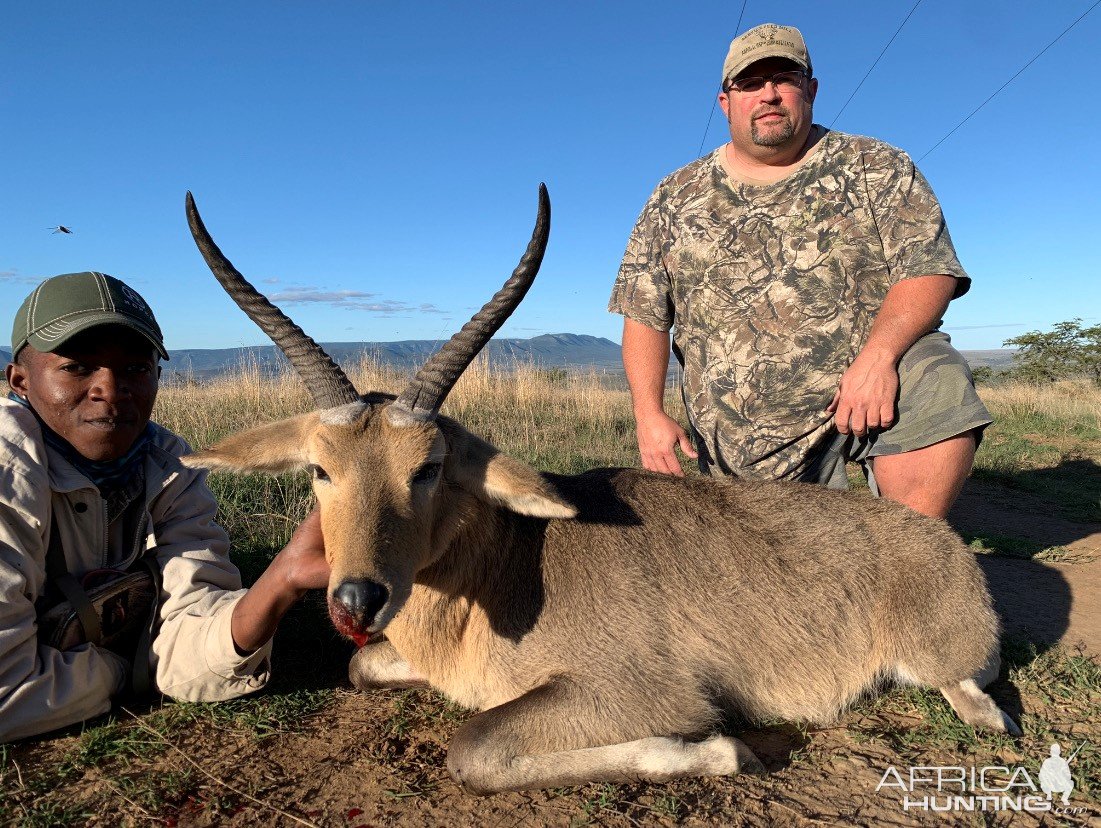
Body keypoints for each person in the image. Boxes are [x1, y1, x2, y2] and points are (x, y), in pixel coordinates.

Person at [609, 23, 991, 519]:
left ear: (810, 90)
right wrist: (649, 414)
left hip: (867, 389)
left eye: (784, 77)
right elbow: (644, 315)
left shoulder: (876, 165)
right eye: (750, 82)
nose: (768, 93)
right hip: (744, 431)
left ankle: (908, 557)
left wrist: (878, 358)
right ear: (725, 102)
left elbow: (929, 271)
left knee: (934, 378)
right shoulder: (674, 196)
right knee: (769, 575)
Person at [0, 271, 330, 742]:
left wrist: (282, 579)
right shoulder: (6, 467)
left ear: (157, 376)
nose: (110, 390)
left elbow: (189, 651)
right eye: (76, 367)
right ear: (20, 380)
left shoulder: (172, 467)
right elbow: (6, 693)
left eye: (135, 368)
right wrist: (125, 669)